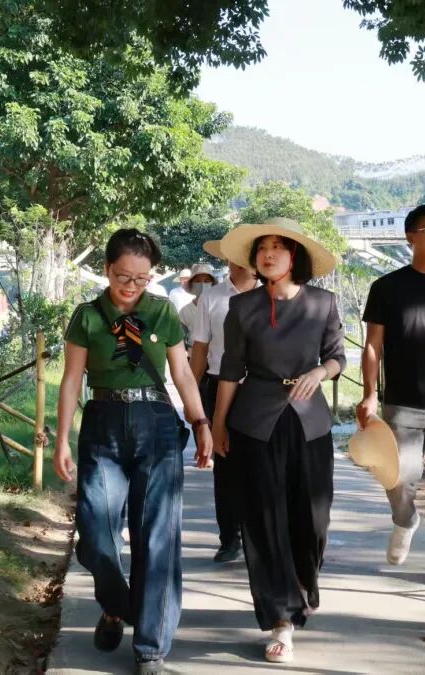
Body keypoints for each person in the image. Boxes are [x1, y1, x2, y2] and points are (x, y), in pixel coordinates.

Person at [53, 228, 213, 674]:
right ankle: (116, 604)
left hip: (156, 423)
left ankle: (151, 649)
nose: (131, 285)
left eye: (141, 279)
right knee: (97, 533)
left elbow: (182, 374)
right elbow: (71, 379)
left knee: (157, 536)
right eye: (123, 276)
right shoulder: (87, 316)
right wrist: (62, 438)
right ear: (107, 269)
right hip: (103, 423)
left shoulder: (161, 312)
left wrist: (200, 422)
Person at [210, 218, 344, 665]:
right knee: (264, 522)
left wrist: (320, 371)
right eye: (262, 247)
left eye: (278, 247)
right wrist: (218, 424)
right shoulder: (242, 307)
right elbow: (231, 370)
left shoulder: (323, 303)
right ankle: (281, 619)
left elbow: (337, 357)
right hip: (255, 422)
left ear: (295, 256)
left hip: (310, 423)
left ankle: (304, 585)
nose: (268, 254)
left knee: (314, 520)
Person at [357, 203, 425, 587]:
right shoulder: (386, 287)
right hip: (402, 402)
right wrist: (370, 394)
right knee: (398, 477)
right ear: (410, 236)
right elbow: (373, 346)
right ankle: (405, 519)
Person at [189, 241, 258, 563]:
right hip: (220, 386)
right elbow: (200, 350)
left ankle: (258, 536)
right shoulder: (212, 298)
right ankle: (230, 537)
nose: (239, 262)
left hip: (261, 390)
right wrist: (192, 397)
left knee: (260, 465)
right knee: (226, 465)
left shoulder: (274, 295)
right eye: (234, 256)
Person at [178, 263, 217, 346]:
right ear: (191, 284)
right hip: (193, 351)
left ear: (212, 284)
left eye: (206, 281)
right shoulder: (185, 311)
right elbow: (179, 339)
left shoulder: (219, 307)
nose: (202, 284)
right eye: (198, 281)